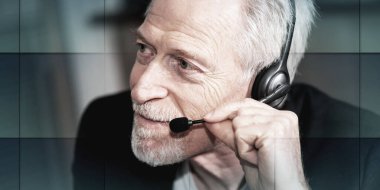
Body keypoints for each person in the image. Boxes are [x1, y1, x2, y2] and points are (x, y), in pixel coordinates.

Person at [73, 0, 380, 189]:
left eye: (184, 64)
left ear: (267, 86)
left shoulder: (365, 156)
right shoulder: (104, 128)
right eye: (144, 49)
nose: (140, 89)